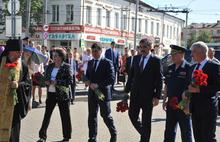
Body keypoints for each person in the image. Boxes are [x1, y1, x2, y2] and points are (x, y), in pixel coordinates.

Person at [125, 38, 163, 142]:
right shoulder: (136, 58)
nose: (142, 49)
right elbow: (131, 76)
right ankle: (144, 134)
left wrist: (157, 96)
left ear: (150, 48)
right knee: (132, 115)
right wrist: (126, 92)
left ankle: (144, 139)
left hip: (148, 96)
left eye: (145, 47)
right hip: (135, 94)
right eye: (140, 47)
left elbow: (159, 79)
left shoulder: (156, 60)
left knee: (146, 120)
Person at [185, 41, 220, 142]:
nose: (191, 54)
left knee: (208, 138)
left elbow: (218, 86)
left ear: (202, 52)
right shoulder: (192, 67)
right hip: (195, 109)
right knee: (198, 138)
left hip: (208, 109)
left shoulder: (214, 66)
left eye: (193, 52)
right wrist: (186, 95)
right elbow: (189, 86)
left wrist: (200, 89)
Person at [37, 48, 73, 142]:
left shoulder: (67, 66)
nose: (54, 57)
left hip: (62, 94)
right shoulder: (50, 66)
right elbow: (46, 77)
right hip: (51, 94)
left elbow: (70, 81)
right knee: (47, 115)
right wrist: (46, 81)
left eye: (56, 55)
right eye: (53, 55)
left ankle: (66, 137)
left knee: (65, 116)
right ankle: (42, 137)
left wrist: (57, 82)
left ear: (61, 57)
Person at [0, 39, 32, 142]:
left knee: (13, 135)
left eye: (21, 52)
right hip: (0, 105)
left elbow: (27, 84)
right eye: (18, 52)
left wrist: (18, 85)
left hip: (15, 106)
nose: (20, 54)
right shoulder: (0, 62)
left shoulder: (23, 65)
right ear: (10, 51)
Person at [85, 43, 117, 142]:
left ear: (100, 51)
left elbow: (111, 78)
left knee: (105, 115)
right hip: (92, 92)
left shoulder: (107, 62)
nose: (94, 53)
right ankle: (92, 137)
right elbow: (87, 75)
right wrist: (86, 80)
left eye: (96, 51)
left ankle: (113, 133)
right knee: (92, 115)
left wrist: (98, 85)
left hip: (101, 93)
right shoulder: (90, 63)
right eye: (92, 51)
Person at [163, 45, 192, 142]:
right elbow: (166, 85)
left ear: (182, 54)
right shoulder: (170, 67)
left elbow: (191, 88)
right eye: (171, 54)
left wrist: (186, 104)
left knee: (185, 130)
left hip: (183, 104)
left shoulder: (189, 68)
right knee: (169, 130)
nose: (172, 56)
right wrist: (164, 100)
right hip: (171, 103)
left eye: (174, 54)